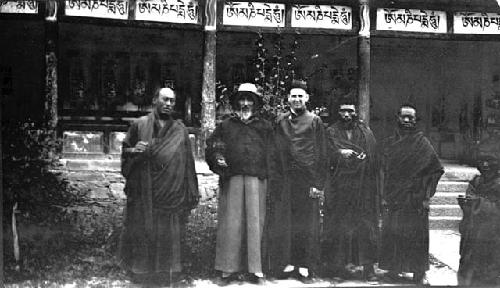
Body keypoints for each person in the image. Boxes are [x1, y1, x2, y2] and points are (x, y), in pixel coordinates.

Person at [118, 87, 200, 284]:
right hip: (145, 191)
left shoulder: (180, 130)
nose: (169, 104)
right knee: (143, 229)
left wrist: (190, 190)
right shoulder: (140, 125)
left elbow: (188, 163)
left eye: (172, 101)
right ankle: (142, 272)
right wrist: (133, 150)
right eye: (165, 99)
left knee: (169, 233)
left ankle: (167, 271)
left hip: (172, 193)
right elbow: (125, 153)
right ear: (155, 100)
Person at [206, 83, 273, 285]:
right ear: (236, 102)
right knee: (231, 224)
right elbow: (213, 146)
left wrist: (268, 176)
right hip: (232, 178)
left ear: (255, 103)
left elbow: (272, 154)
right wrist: (218, 158)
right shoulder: (226, 125)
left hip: (256, 179)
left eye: (249, 100)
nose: (245, 104)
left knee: (255, 224)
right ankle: (227, 271)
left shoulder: (265, 126)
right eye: (242, 100)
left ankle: (255, 270)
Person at [266, 80, 328, 283]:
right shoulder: (280, 121)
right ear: (288, 99)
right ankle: (285, 264)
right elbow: (273, 153)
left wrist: (318, 184)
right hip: (285, 181)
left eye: (301, 96)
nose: (297, 99)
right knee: (285, 223)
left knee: (306, 224)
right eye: (293, 96)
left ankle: (305, 267)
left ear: (307, 99)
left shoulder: (315, 121)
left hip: (307, 181)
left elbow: (322, 153)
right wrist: (274, 180)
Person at [379, 103, 443, 284]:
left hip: (415, 198)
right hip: (394, 197)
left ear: (416, 121)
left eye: (411, 118)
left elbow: (436, 169)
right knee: (393, 233)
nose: (407, 120)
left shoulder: (423, 143)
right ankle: (394, 269)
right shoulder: (389, 144)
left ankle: (419, 272)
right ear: (397, 118)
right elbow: (382, 170)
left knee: (417, 236)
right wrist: (384, 194)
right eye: (403, 117)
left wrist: (426, 194)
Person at [323, 101, 379, 281]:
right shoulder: (330, 132)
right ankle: (339, 269)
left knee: (365, 227)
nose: (346, 115)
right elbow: (324, 155)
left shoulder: (365, 132)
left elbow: (374, 157)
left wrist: (364, 157)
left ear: (355, 112)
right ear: (337, 112)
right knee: (339, 228)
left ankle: (368, 268)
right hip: (340, 188)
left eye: (350, 111)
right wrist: (339, 154)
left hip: (362, 189)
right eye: (342, 111)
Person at [457, 154, 500, 286]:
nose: (485, 165)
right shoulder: (476, 181)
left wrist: (479, 203)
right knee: (468, 262)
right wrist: (466, 203)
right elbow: (470, 196)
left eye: (489, 162)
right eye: (482, 162)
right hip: (472, 231)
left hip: (492, 233)